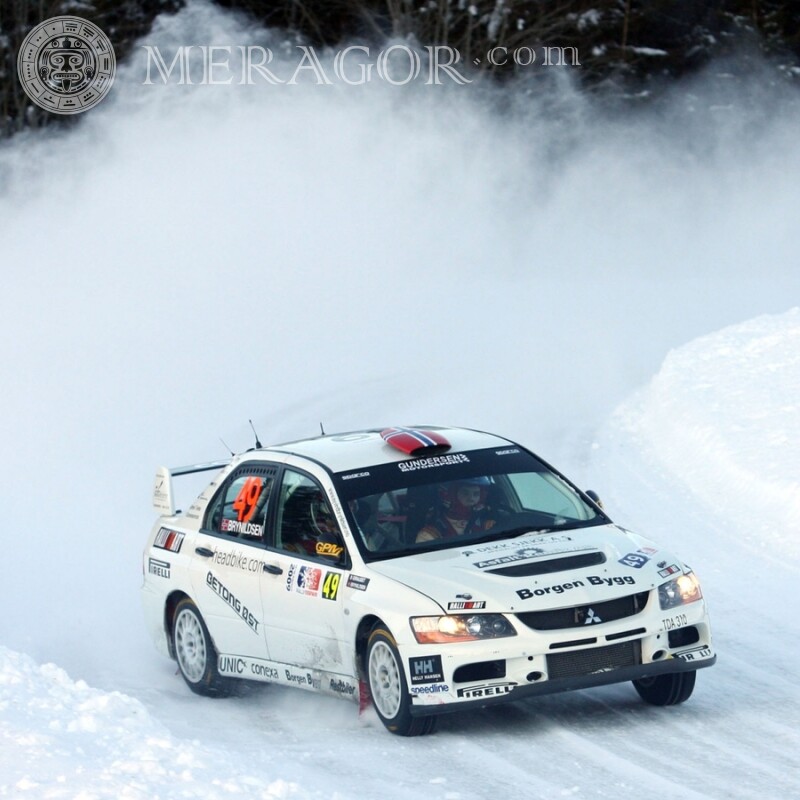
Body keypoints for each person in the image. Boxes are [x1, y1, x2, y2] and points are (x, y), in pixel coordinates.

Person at [416, 477, 495, 542]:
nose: (471, 498)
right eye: (465, 493)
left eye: (476, 494)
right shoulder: (430, 533)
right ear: (451, 495)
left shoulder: (488, 522)